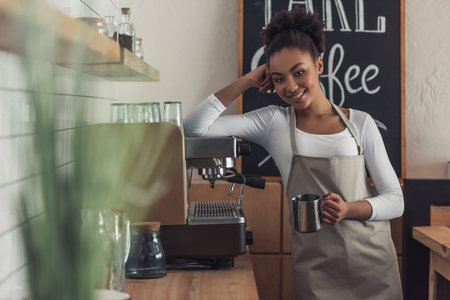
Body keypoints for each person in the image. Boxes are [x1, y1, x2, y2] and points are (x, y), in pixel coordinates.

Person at [184, 8, 403, 300]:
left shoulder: (360, 123)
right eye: (278, 78)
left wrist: (348, 209)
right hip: (316, 271)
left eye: (299, 72)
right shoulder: (273, 122)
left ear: (319, 64)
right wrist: (247, 80)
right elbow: (193, 128)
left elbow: (396, 201)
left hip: (372, 268)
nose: (291, 87)